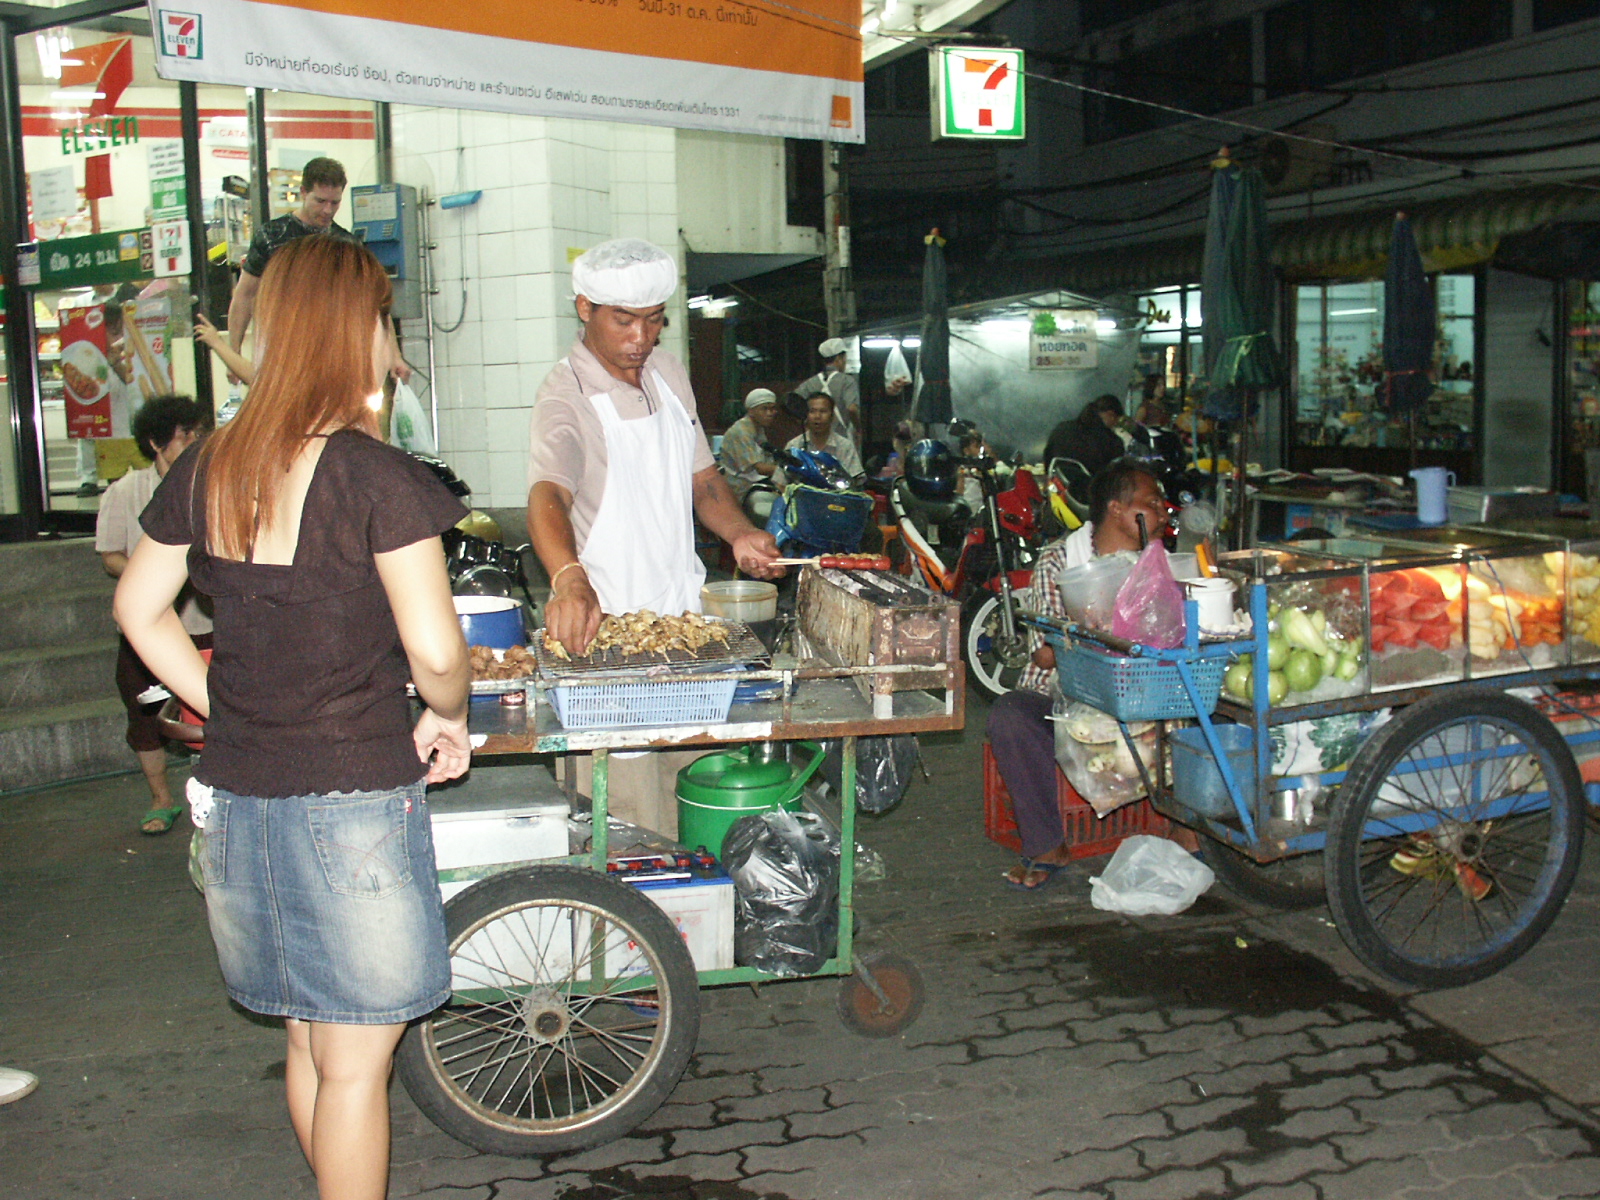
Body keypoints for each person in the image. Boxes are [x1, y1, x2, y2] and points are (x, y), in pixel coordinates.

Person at [114, 236, 471, 1200]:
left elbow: (138, 609)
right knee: (357, 1065)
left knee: (311, 1041)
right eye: (384, 320)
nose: (391, 340)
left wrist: (224, 705)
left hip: (238, 796)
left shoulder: (211, 464)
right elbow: (438, 654)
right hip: (350, 798)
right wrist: (449, 716)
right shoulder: (376, 476)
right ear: (355, 330)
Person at [528, 238, 783, 837]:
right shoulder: (565, 395)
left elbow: (704, 480)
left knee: (697, 805)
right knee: (630, 830)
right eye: (624, 320)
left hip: (686, 634)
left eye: (653, 320)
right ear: (585, 308)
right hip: (609, 648)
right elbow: (547, 495)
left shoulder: (667, 373)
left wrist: (741, 533)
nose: (640, 338)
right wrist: (569, 578)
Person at [987, 459, 1171, 890]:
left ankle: (1185, 833)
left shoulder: (1158, 560)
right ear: (1116, 509)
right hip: (1065, 696)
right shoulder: (1061, 560)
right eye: (1152, 504)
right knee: (1009, 716)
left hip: (1141, 692)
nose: (1163, 514)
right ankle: (1047, 845)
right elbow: (1046, 656)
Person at [95, 393, 212, 835]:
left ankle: (217, 791)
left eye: (200, 433)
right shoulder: (125, 492)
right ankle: (161, 799)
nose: (197, 441)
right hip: (147, 626)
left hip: (205, 622)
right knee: (145, 712)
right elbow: (110, 555)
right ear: (156, 443)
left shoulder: (212, 483)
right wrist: (155, 577)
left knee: (210, 711)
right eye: (187, 435)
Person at [226, 158, 356, 370]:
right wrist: (234, 352)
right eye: (320, 201)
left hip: (332, 351)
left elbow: (370, 303)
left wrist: (391, 355)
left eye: (335, 203)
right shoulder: (271, 236)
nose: (327, 210)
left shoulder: (346, 244)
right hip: (280, 350)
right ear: (303, 192)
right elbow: (245, 295)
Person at [1043, 394, 1127, 482]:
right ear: (1111, 415)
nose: (1115, 425)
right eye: (1117, 421)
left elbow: (1048, 456)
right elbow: (1113, 477)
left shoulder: (1061, 429)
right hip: (1089, 488)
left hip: (1058, 484)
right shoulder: (1112, 442)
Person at [719, 387, 783, 503]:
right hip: (740, 489)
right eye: (764, 409)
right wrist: (788, 471)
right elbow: (760, 468)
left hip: (756, 484)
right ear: (751, 411)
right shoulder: (741, 431)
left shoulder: (758, 428)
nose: (770, 413)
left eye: (772, 409)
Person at [782, 392, 864, 480]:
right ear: (805, 415)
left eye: (823, 411)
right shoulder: (794, 446)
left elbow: (857, 479)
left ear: (832, 416)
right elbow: (780, 482)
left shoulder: (845, 446)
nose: (817, 416)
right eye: (812, 411)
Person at [794, 337, 860, 444]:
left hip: (815, 440)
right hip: (841, 440)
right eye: (845, 359)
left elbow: (793, 404)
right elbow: (852, 409)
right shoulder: (847, 381)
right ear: (839, 358)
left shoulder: (810, 383)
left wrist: (806, 424)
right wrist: (858, 429)